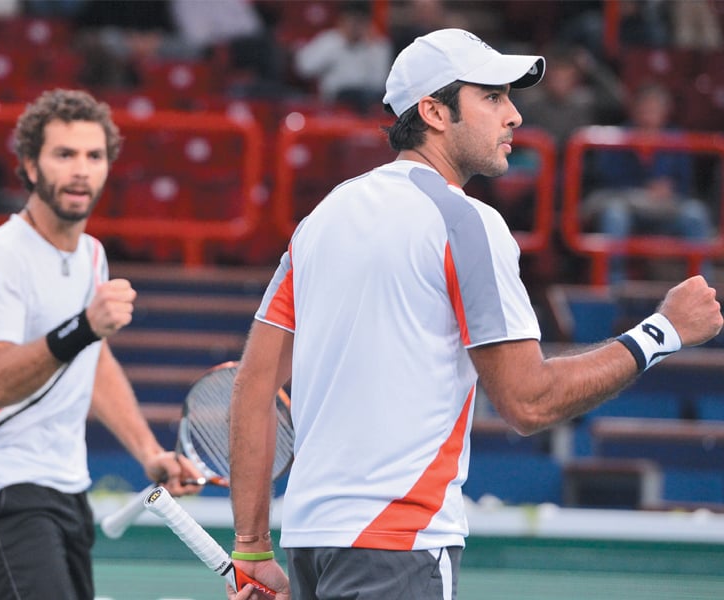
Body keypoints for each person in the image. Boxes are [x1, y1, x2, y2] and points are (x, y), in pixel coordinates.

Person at [227, 29, 723, 600]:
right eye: (492, 97)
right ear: (434, 111)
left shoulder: (321, 220)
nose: (513, 116)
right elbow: (527, 400)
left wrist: (252, 546)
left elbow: (253, 386)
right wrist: (662, 332)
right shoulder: (468, 223)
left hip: (311, 544)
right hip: (402, 549)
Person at [0, 89, 205, 600]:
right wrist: (82, 327)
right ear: (30, 166)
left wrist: (149, 452)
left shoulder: (92, 255)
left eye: (93, 156)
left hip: (65, 488)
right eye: (64, 155)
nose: (81, 170)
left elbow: (93, 360)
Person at [583, 82, 715, 283]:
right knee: (614, 214)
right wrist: (641, 189)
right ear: (634, 109)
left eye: (655, 108)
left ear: (665, 112)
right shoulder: (616, 137)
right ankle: (612, 286)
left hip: (665, 209)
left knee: (695, 214)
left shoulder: (676, 138)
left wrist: (669, 189)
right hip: (628, 206)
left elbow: (686, 184)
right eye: (644, 107)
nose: (649, 113)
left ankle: (703, 287)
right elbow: (605, 180)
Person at [293, 0, 392, 113]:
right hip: (333, 104)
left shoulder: (377, 46)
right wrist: (336, 47)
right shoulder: (329, 41)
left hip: (367, 105)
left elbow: (380, 83)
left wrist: (371, 50)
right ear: (341, 21)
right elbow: (303, 67)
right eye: (351, 21)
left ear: (367, 23)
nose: (354, 26)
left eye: (359, 21)